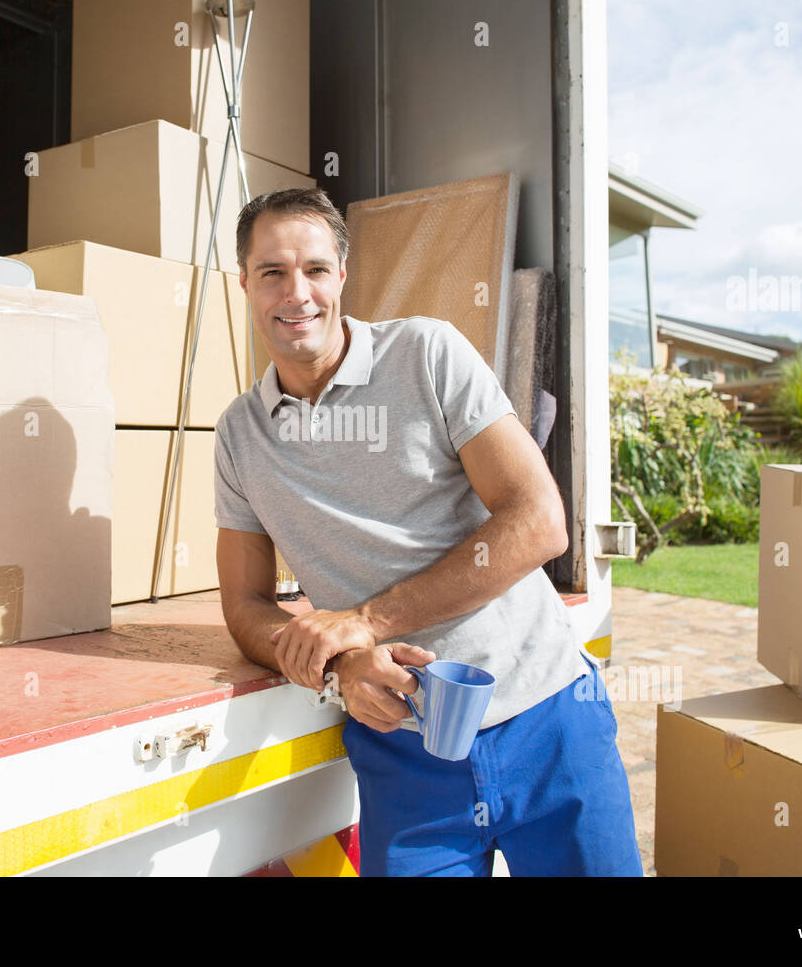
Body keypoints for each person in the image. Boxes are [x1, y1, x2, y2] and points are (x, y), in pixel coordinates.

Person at [214, 187, 642, 877]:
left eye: (316, 269)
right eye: (272, 272)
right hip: (406, 760)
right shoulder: (240, 435)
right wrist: (337, 661)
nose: (297, 293)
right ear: (245, 284)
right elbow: (244, 606)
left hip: (548, 719)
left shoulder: (427, 353)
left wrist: (365, 619)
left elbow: (540, 521)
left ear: (343, 276)